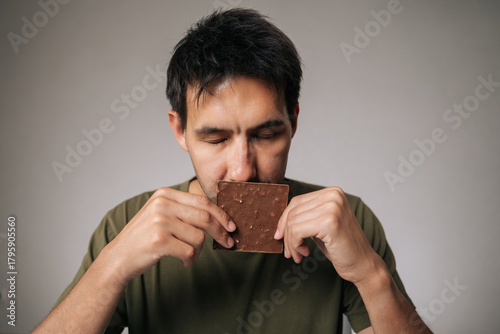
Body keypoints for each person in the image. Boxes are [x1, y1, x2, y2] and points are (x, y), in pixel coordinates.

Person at [35, 8, 432, 334]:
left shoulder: (346, 221)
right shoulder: (125, 225)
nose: (242, 171)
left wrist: (370, 275)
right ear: (180, 130)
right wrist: (112, 268)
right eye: (216, 139)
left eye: (266, 134)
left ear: (293, 121)